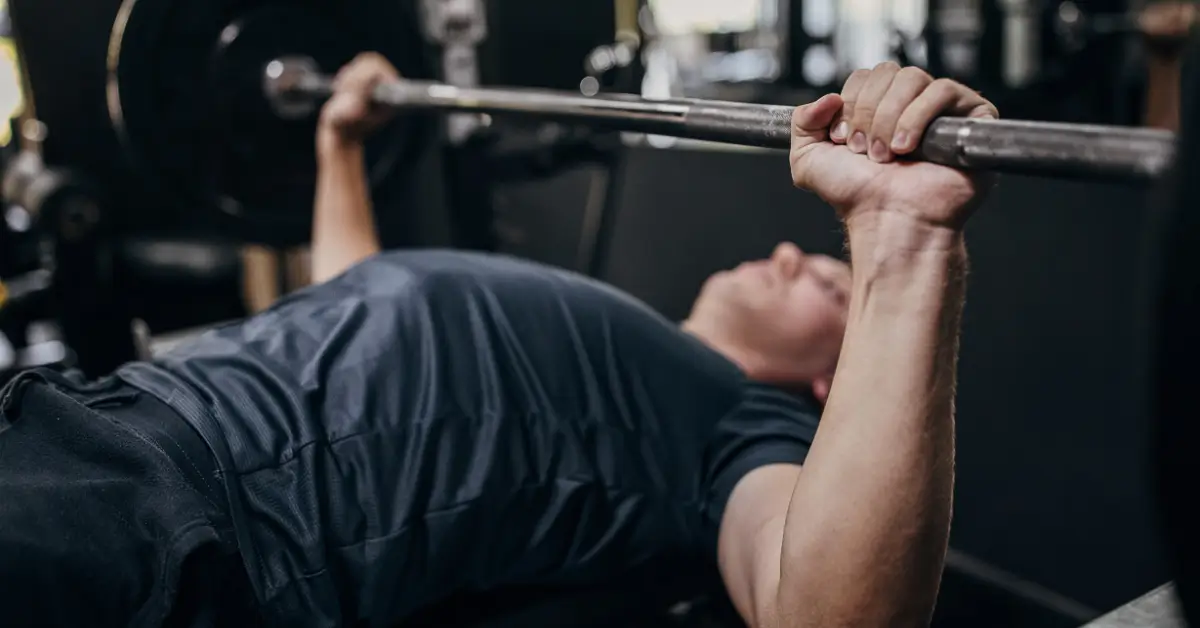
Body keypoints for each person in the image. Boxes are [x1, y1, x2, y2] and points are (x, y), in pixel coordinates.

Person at [0, 54, 997, 628]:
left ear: (830, 384)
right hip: (96, 414)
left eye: (829, 281)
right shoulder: (619, 341)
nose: (790, 251)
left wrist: (899, 239)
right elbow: (358, 298)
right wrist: (339, 143)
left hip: (184, 510)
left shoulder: (737, 430)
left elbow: (823, 611)